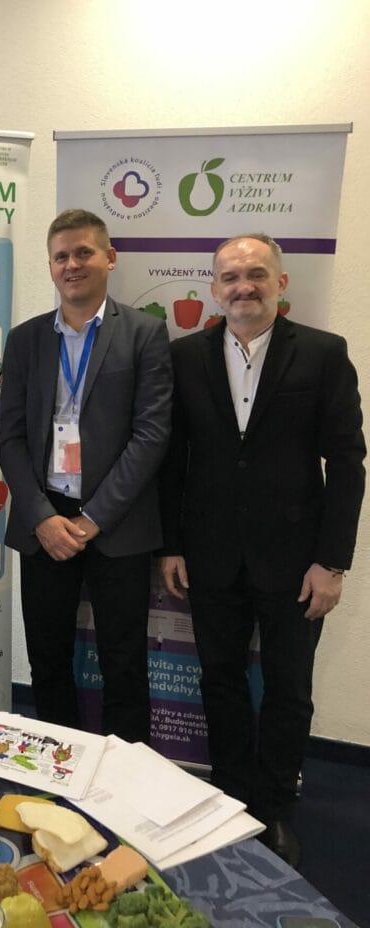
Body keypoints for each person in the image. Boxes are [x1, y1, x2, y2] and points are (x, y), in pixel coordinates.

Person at [158, 233, 365, 867]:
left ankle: (273, 806)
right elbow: (173, 459)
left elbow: (349, 463)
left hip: (296, 562)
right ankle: (231, 794)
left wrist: (332, 562)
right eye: (229, 277)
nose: (242, 286)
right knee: (219, 679)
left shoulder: (325, 355)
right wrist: (171, 545)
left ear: (280, 283)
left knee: (288, 687)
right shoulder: (186, 355)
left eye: (255, 274)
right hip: (211, 554)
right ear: (213, 288)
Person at [0, 209, 172, 741]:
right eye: (61, 256)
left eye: (83, 253)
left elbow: (151, 436)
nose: (72, 265)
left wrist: (94, 518)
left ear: (109, 258)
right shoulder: (26, 340)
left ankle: (125, 780)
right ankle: (55, 769)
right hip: (44, 521)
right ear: (50, 267)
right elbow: (11, 438)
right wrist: (43, 518)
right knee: (48, 659)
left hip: (116, 525)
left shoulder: (145, 334)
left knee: (124, 661)